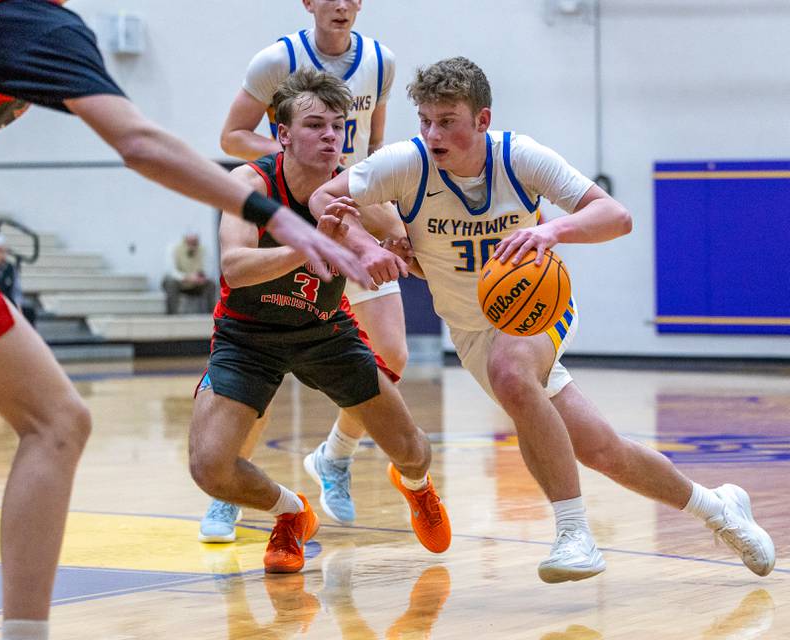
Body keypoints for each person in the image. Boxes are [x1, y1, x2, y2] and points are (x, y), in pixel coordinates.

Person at [309, 56, 776, 584]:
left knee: (512, 372)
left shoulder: (519, 157)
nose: (432, 132)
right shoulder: (404, 164)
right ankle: (718, 509)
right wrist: (367, 246)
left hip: (537, 304)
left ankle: (574, 533)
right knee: (603, 450)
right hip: (468, 328)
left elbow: (614, 216)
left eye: (447, 121)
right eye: (425, 120)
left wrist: (553, 233)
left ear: (482, 120)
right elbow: (322, 195)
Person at [0, 2, 370, 638]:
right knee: (57, 422)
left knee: (61, 420)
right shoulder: (36, 21)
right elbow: (140, 143)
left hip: (308, 331)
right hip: (252, 330)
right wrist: (272, 213)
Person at [190, 68, 450, 574]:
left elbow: (406, 244)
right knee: (210, 467)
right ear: (283, 134)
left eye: (337, 125)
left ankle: (415, 487)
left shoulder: (357, 187)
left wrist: (409, 251)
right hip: (248, 338)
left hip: (326, 333)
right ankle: (292, 513)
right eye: (315, 125)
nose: (330, 135)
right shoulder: (250, 183)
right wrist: (309, 246)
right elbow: (235, 268)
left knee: (415, 453)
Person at [202, 0, 406, 535]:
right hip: (297, 202)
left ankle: (334, 457)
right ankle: (231, 489)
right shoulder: (277, 60)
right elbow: (231, 136)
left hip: (349, 206)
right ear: (308, 3)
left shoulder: (381, 61)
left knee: (391, 355)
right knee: (257, 381)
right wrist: (301, 153)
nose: (340, 4)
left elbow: (375, 146)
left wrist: (365, 197)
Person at [162, 232, 216, 314]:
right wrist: (186, 277)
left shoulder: (204, 250)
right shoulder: (174, 249)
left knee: (211, 284)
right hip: (180, 282)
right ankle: (172, 315)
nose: (192, 244)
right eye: (190, 241)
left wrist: (200, 278)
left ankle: (213, 315)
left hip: (197, 282)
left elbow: (209, 269)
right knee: (170, 282)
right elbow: (171, 271)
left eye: (194, 242)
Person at [0, 234, 23, 309]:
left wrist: (19, 308)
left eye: (0, 250)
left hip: (7, 307)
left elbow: (16, 292)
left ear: (5, 252)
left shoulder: (11, 268)